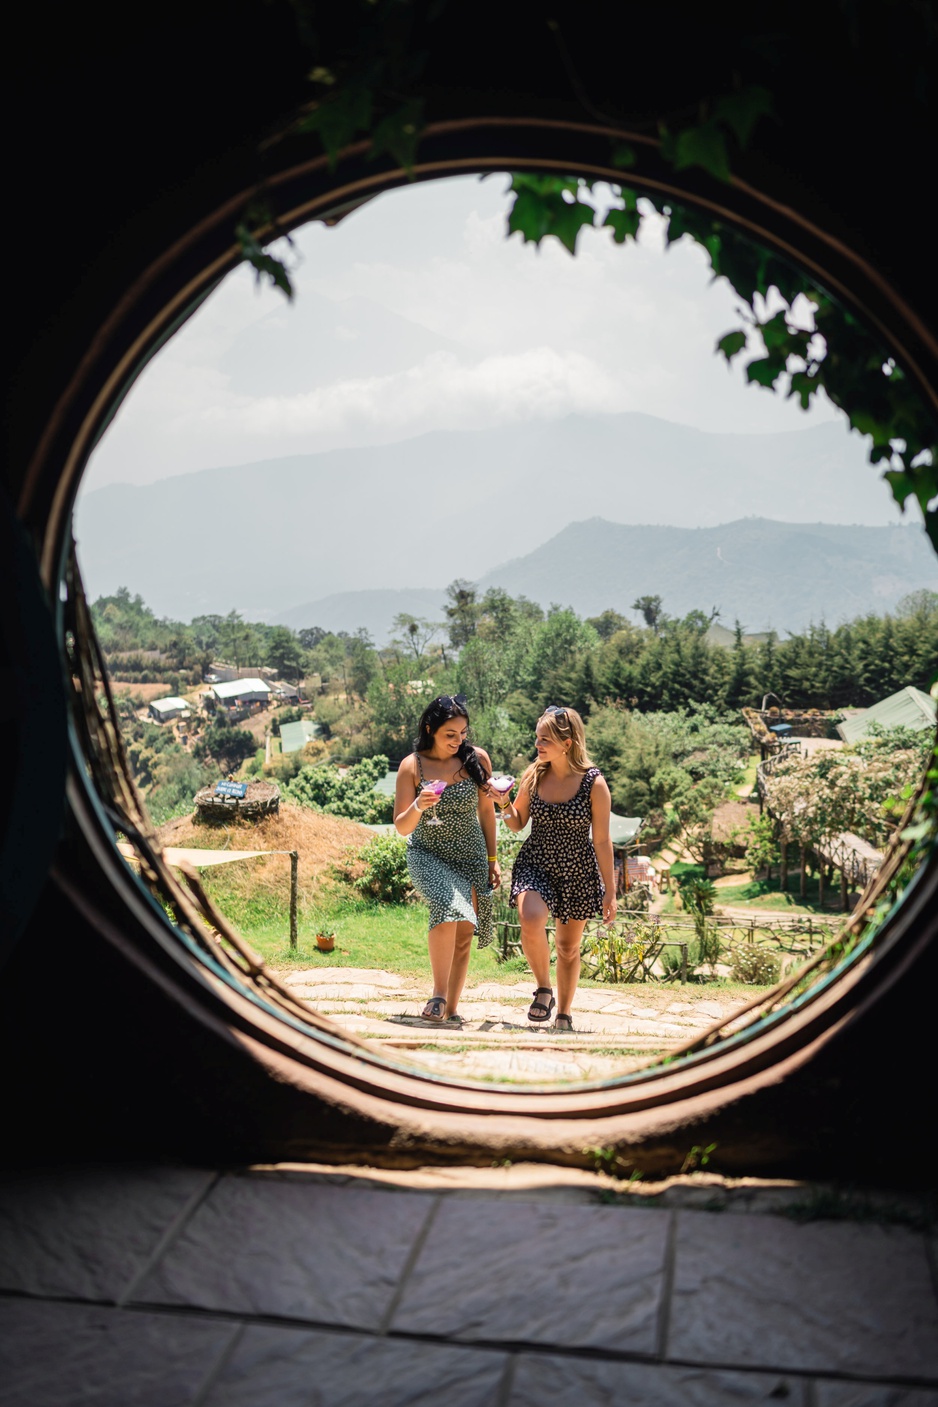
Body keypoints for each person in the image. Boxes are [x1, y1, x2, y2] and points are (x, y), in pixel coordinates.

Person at [497, 705, 616, 1030]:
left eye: (545, 739)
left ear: (567, 742)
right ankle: (544, 989)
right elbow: (517, 823)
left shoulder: (595, 783)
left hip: (577, 869)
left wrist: (610, 890)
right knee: (530, 915)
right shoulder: (533, 775)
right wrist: (503, 802)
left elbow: (603, 842)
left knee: (567, 947)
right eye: (537, 738)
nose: (538, 745)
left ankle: (563, 1012)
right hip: (536, 861)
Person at [394, 694, 498, 1023]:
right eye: (450, 734)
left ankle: (450, 1009)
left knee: (465, 932)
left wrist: (492, 859)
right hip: (428, 854)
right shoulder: (413, 766)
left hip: (471, 856)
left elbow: (487, 812)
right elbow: (401, 825)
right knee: (447, 903)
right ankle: (437, 995)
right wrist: (419, 806)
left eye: (463, 734)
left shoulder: (477, 759)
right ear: (430, 729)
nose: (458, 741)